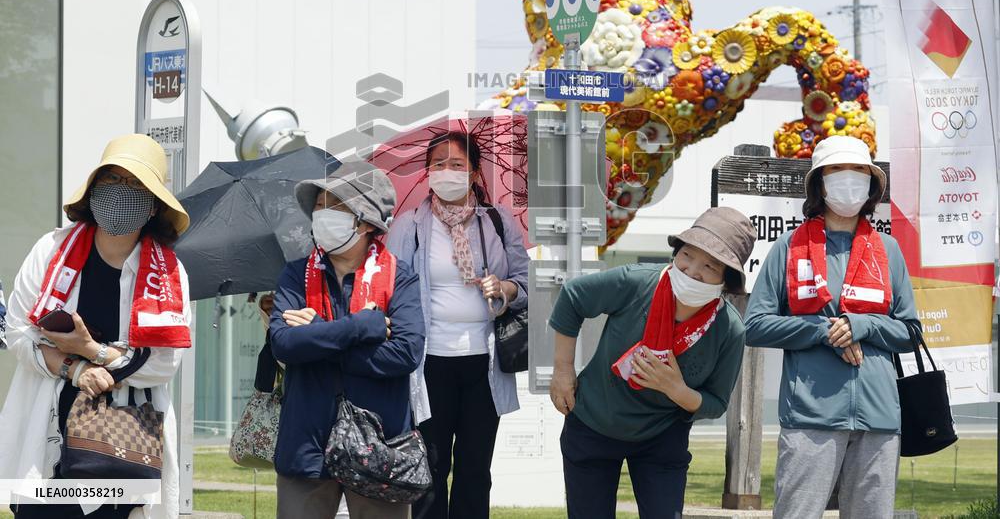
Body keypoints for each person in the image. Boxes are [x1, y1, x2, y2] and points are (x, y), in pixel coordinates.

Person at [0, 134, 193, 519]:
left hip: (123, 444)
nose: (122, 194)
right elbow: (19, 333)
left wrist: (93, 351)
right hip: (49, 436)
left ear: (154, 205)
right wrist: (77, 369)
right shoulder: (50, 251)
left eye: (136, 185)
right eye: (112, 181)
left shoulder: (169, 274)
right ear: (92, 192)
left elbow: (164, 363)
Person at [744, 135, 919, 519]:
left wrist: (862, 325)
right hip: (810, 416)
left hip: (879, 418)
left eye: (859, 172)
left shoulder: (887, 249)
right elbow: (754, 325)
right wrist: (822, 332)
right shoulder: (789, 246)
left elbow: (910, 331)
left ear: (871, 185)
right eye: (838, 171)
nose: (849, 179)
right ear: (819, 183)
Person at [548, 207, 754, 519]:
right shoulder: (636, 282)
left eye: (710, 266)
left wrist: (675, 389)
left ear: (726, 279)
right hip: (593, 423)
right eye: (687, 255)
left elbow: (716, 402)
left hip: (662, 437)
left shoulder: (729, 329)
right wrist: (563, 369)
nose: (691, 271)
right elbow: (574, 297)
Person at [386, 131, 529, 519]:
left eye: (456, 164)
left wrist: (505, 288)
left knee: (475, 469)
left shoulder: (497, 222)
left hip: (484, 363)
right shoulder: (409, 226)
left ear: (474, 172)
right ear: (427, 172)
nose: (446, 171)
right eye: (438, 164)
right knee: (429, 467)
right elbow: (389, 290)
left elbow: (527, 284)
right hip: (429, 361)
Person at [269, 163, 424, 519]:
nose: (322, 214)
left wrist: (318, 335)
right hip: (306, 442)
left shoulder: (400, 277)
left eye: (335, 206)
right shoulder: (295, 274)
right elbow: (284, 344)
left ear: (367, 222)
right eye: (319, 205)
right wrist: (361, 327)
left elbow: (405, 353)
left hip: (381, 445)